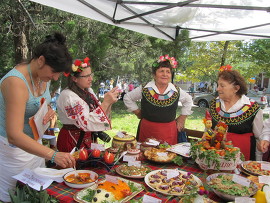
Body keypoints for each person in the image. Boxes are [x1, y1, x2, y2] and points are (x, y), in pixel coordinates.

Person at [0, 32, 75, 202]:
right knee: (15, 197)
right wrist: (53, 155)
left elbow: (39, 103)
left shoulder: (43, 76)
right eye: (54, 72)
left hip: (35, 146)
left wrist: (49, 111)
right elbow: (14, 135)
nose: (55, 78)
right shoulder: (16, 82)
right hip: (12, 152)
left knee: (36, 194)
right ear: (40, 60)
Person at [123, 55, 193, 145]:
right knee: (145, 155)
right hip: (147, 130)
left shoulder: (176, 90)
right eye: (161, 71)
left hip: (168, 132)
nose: (165, 74)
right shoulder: (145, 88)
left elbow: (188, 100)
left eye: (168, 72)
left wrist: (182, 118)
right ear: (154, 75)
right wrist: (137, 112)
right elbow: (127, 97)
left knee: (167, 156)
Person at [56, 57, 119, 152]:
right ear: (74, 78)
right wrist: (106, 102)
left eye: (91, 75)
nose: (91, 79)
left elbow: (98, 112)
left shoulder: (88, 90)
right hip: (72, 141)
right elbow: (85, 123)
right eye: (86, 76)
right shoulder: (69, 96)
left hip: (87, 138)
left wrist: (109, 102)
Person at [208, 65, 264, 161]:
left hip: (242, 159)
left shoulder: (252, 108)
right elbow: (209, 131)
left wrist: (258, 162)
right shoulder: (214, 104)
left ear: (236, 88)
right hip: (216, 158)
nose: (218, 89)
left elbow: (259, 138)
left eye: (222, 85)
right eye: (218, 85)